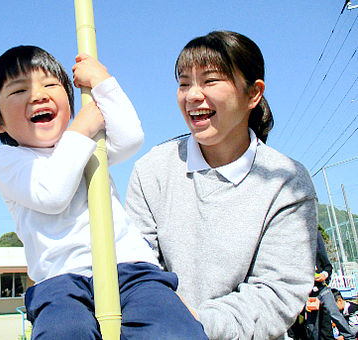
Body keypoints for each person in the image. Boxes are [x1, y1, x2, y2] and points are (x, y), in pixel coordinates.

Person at [0, 45, 207, 339]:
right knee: (65, 333)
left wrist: (103, 82)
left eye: (50, 85)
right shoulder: (8, 160)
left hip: (131, 268)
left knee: (174, 330)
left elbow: (129, 139)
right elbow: (51, 193)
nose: (38, 95)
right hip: (61, 281)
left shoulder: (87, 145)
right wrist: (81, 130)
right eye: (19, 90)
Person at [124, 30, 318, 339]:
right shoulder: (153, 169)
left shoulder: (287, 181)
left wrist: (196, 323)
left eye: (210, 80)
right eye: (184, 83)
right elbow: (137, 265)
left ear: (253, 94)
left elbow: (277, 291)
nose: (192, 95)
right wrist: (163, 317)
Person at [306, 232, 355, 340]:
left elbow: (328, 267)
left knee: (334, 313)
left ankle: (350, 337)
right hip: (309, 294)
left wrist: (324, 274)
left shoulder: (318, 252)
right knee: (312, 326)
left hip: (322, 289)